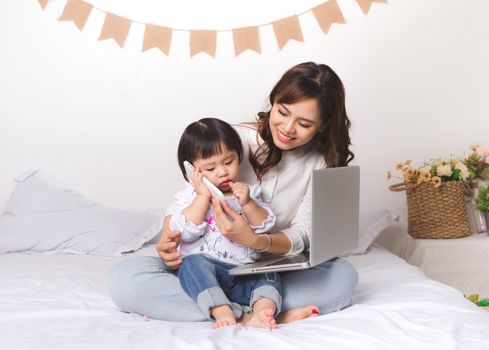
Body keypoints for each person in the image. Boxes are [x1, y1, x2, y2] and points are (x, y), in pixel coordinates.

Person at [107, 62, 358, 323]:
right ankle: (259, 311)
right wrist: (167, 240)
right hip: (208, 264)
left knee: (343, 278)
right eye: (282, 112)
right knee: (124, 279)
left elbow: (305, 235)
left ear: (323, 124)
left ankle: (228, 305)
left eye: (304, 123)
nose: (287, 128)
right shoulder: (232, 138)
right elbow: (186, 201)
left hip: (270, 267)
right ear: (273, 101)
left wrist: (255, 240)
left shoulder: (320, 162)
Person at [172, 117, 317, 329]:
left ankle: (262, 312)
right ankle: (221, 308)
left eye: (228, 162)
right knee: (190, 265)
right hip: (210, 272)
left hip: (245, 272)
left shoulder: (248, 192)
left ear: (239, 158)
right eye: (210, 168)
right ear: (192, 172)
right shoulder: (190, 198)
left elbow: (265, 224)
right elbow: (184, 232)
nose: (222, 172)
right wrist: (203, 197)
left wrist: (248, 203)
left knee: (269, 272)